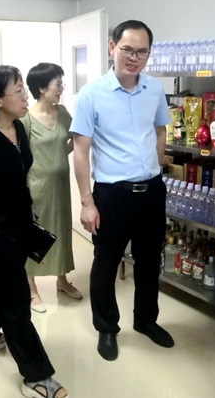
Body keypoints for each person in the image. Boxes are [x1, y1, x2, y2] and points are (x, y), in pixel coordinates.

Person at [70, 20, 173, 362]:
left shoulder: (154, 89)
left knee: (150, 261)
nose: (134, 58)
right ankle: (106, 327)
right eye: (127, 49)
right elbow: (81, 151)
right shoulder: (91, 94)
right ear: (112, 47)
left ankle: (146, 320)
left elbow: (160, 131)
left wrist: (154, 165)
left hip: (152, 191)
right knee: (106, 263)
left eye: (142, 51)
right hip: (112, 194)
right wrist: (87, 202)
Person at [0, 65, 68, 398]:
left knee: (3, 284)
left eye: (24, 89)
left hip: (20, 224)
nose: (26, 96)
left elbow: (20, 180)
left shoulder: (18, 129)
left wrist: (30, 217)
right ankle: (36, 375)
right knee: (17, 302)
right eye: (19, 91)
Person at [21, 62, 81, 314]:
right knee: (36, 235)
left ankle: (62, 280)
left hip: (60, 186)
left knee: (61, 232)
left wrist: (58, 157)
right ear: (42, 88)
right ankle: (31, 290)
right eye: (58, 83)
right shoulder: (26, 119)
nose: (61, 88)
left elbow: (76, 138)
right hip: (36, 188)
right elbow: (21, 157)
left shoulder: (63, 113)